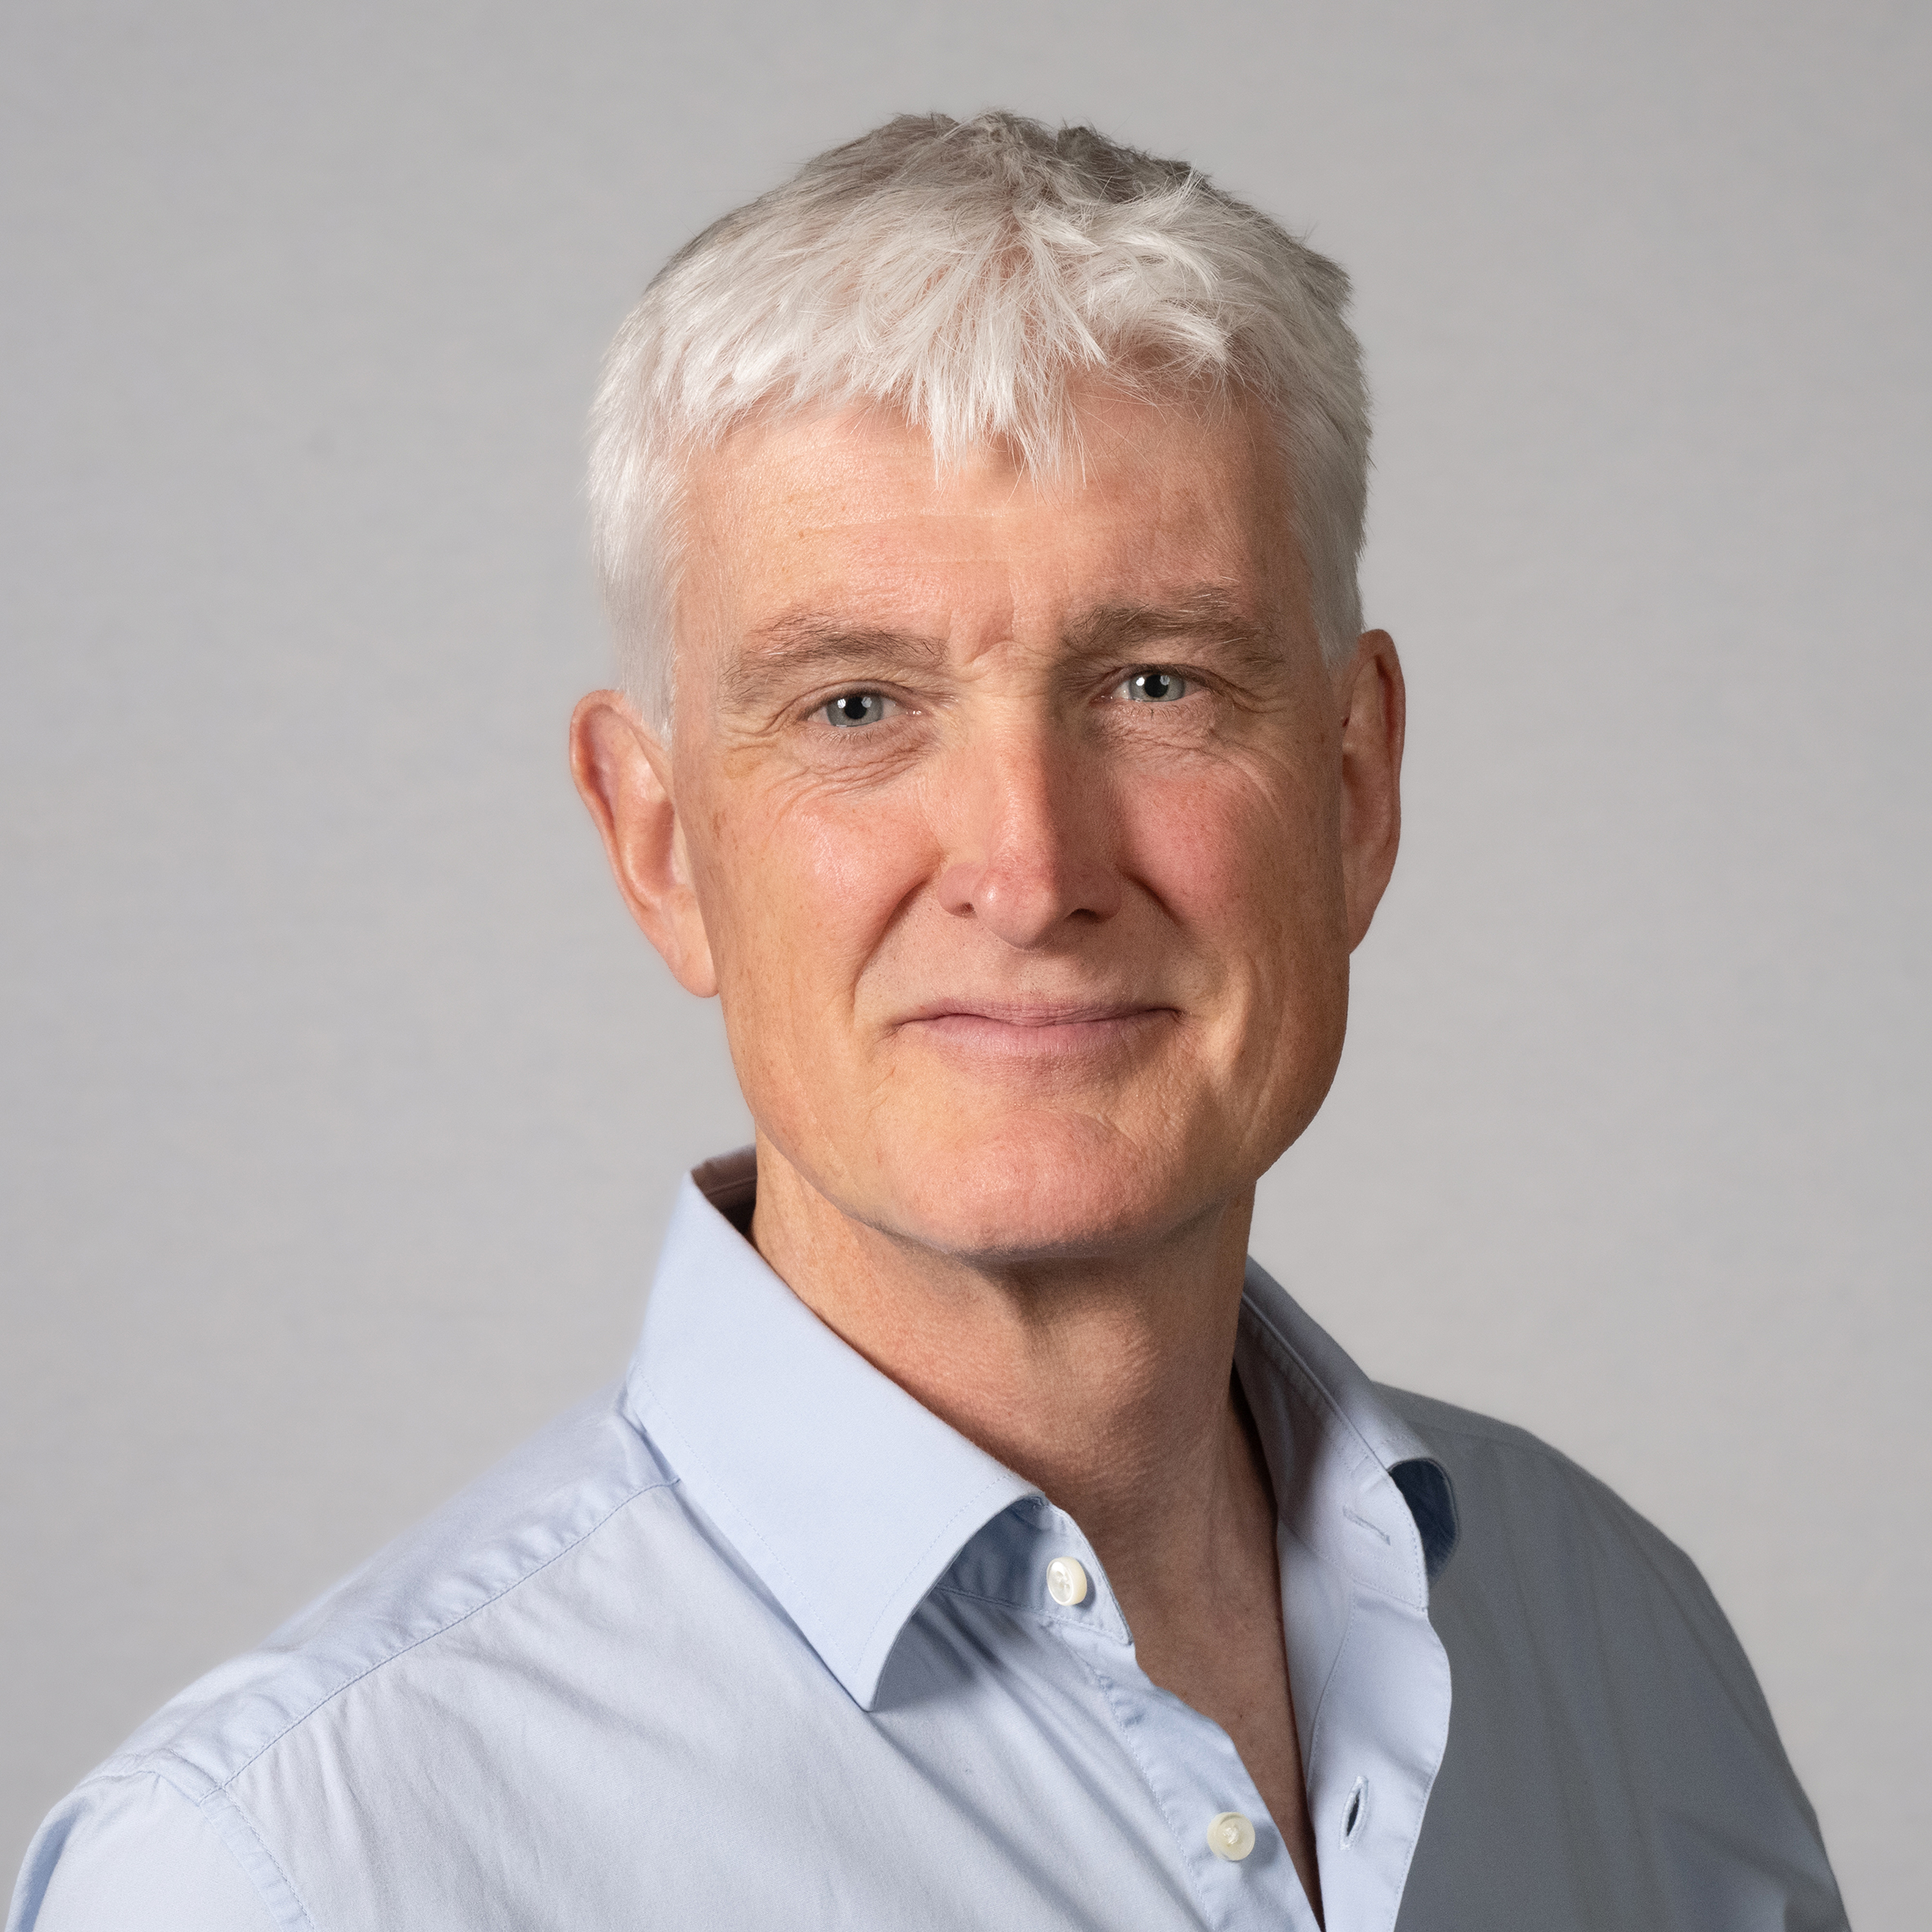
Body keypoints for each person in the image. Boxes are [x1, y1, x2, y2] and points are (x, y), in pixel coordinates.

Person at [8, 111, 1846, 1932]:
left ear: (1353, 791)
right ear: (659, 845)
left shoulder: (1615, 1642)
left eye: (1155, 682)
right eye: (855, 706)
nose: (1028, 869)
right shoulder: (276, 1871)